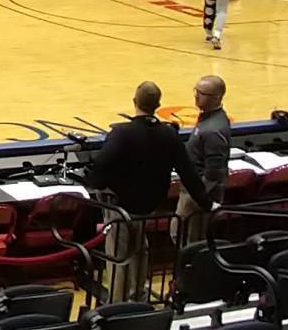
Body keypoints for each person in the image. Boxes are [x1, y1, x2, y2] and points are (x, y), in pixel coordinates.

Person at [90, 82, 209, 299]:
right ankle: (138, 296)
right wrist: (207, 202)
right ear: (158, 105)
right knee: (140, 251)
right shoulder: (169, 134)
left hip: (122, 207)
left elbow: (100, 166)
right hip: (150, 207)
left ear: (135, 102)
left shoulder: (122, 133)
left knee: (119, 257)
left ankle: (118, 307)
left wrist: (96, 183)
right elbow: (189, 173)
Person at [179, 73, 231, 243]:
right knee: (180, 235)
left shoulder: (213, 129)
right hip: (194, 191)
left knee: (191, 240)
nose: (195, 95)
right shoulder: (209, 119)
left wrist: (199, 197)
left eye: (201, 93)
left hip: (198, 197)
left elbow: (214, 171)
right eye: (196, 90)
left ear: (216, 98)